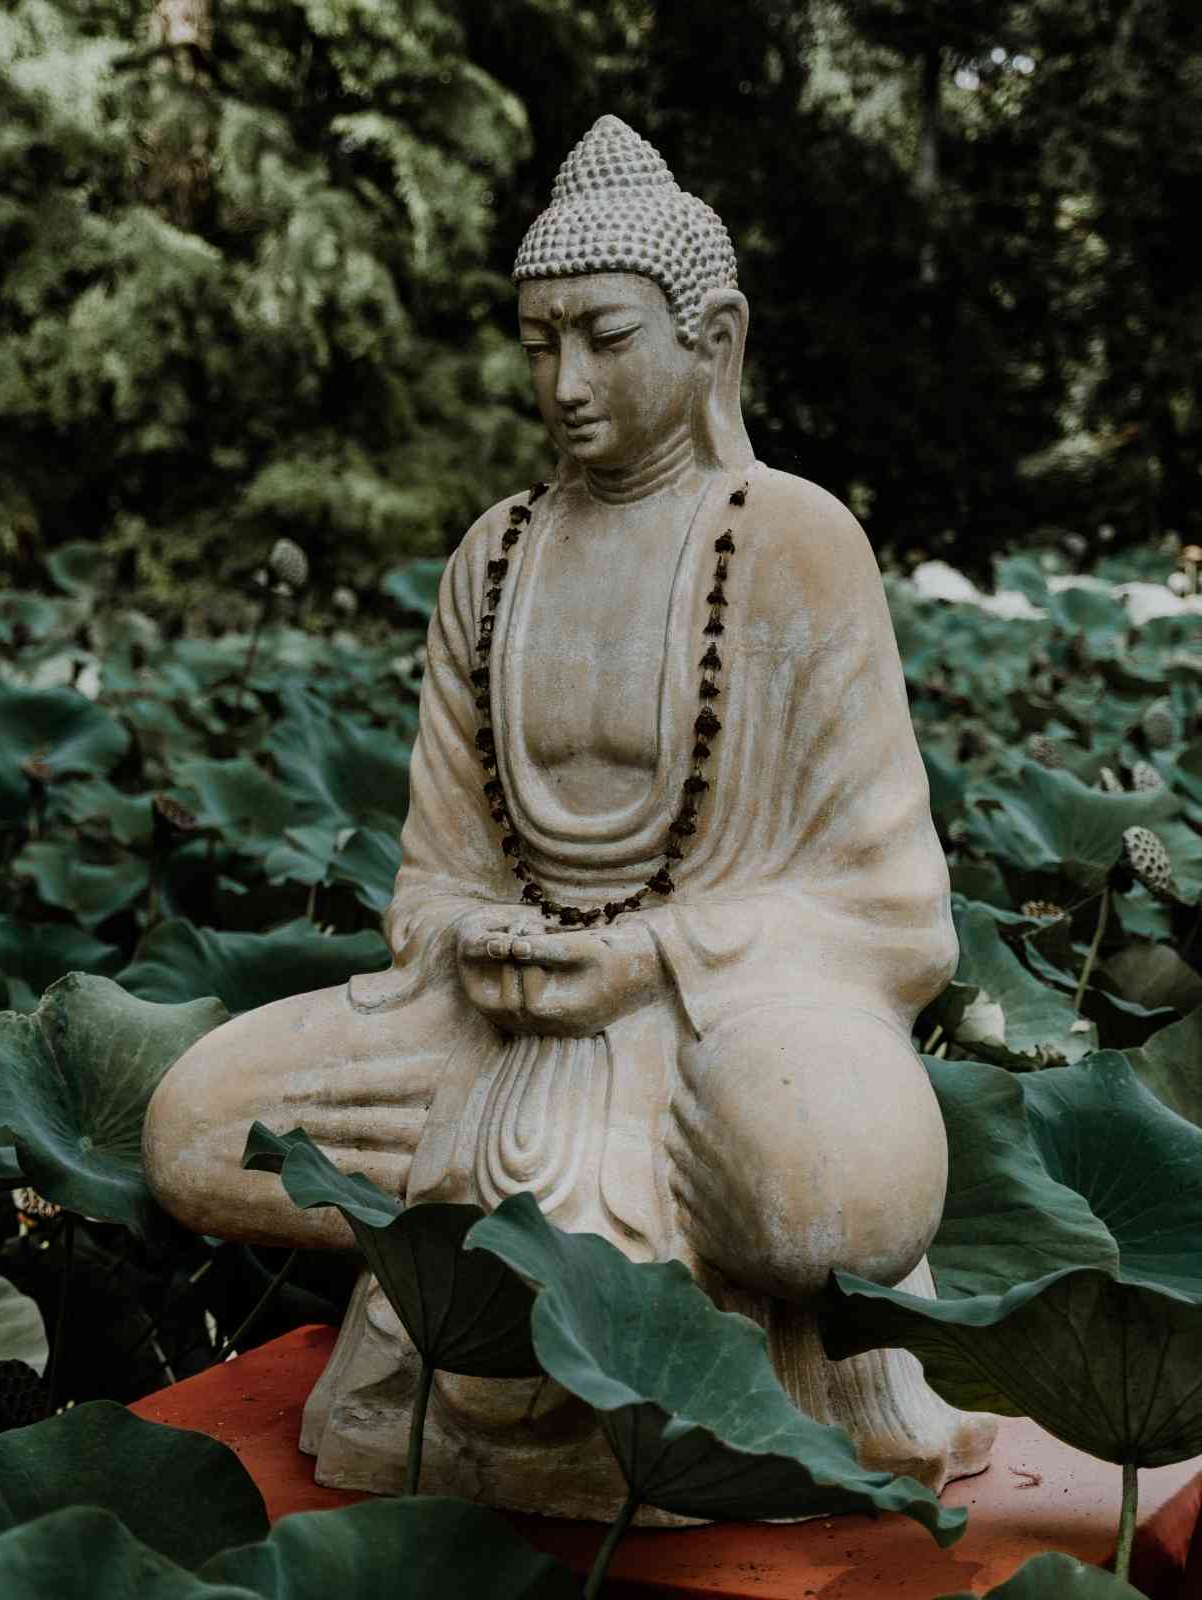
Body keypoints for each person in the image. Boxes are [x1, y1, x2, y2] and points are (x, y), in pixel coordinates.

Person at [142, 115, 993, 1515]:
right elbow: (432, 877)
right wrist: (477, 938)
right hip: (492, 1022)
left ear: (709, 341)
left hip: (732, 1022)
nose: (565, 381)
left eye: (602, 335)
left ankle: (700, 1362)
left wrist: (653, 959)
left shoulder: (793, 544)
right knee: (190, 1129)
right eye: (538, 343)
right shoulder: (495, 557)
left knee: (833, 1199)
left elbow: (895, 909)